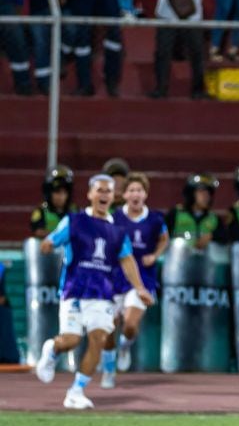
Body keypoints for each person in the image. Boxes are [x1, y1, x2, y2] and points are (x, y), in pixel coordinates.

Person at [34, 174, 152, 409]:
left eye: (108, 191)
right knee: (72, 340)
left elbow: (128, 261)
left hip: (102, 294)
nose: (104, 195)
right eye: (100, 190)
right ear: (90, 194)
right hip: (75, 291)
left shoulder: (117, 232)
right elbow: (51, 240)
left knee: (98, 339)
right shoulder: (74, 221)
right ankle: (54, 348)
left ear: (112, 197)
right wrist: (47, 244)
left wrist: (139, 288)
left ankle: (76, 391)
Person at [101, 172, 169, 388]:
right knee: (109, 326)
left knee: (130, 324)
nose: (135, 194)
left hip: (143, 278)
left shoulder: (156, 219)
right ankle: (108, 370)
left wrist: (155, 255)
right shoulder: (115, 218)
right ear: (125, 194)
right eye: (131, 190)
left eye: (139, 190)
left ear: (145, 194)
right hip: (116, 278)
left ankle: (125, 346)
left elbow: (164, 239)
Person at [166, 173, 221, 247]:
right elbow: (162, 237)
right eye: (201, 192)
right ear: (191, 194)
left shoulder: (214, 218)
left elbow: (225, 238)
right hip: (179, 257)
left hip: (205, 258)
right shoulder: (175, 214)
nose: (206, 196)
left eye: (208, 193)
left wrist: (212, 236)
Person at [30, 165, 75, 237]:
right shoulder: (42, 211)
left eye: (64, 192)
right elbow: (38, 231)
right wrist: (60, 236)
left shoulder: (74, 211)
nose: (61, 196)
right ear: (49, 193)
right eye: (57, 192)